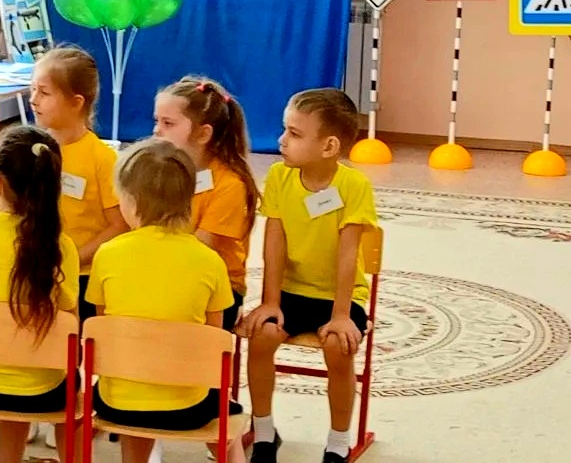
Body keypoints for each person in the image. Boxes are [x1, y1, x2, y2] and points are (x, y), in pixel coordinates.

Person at [240, 89, 377, 463]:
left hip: (339, 297)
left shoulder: (354, 186)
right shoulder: (280, 177)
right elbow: (274, 243)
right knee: (262, 337)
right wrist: (271, 301)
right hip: (291, 292)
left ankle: (338, 441)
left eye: (295, 133)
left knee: (338, 346)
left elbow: (348, 255)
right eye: (285, 129)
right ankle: (264, 432)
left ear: (329, 146)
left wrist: (341, 314)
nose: (282, 140)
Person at [85, 139, 243, 463]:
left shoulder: (107, 254)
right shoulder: (209, 260)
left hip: (117, 402)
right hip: (187, 407)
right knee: (228, 411)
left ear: (132, 203)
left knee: (130, 380)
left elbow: (103, 328)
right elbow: (214, 340)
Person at [0, 126, 80, 463]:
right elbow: (70, 329)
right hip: (44, 391)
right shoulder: (62, 246)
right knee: (67, 377)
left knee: (11, 355)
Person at [30, 46, 128, 323]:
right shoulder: (32, 148)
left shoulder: (102, 159)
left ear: (76, 102)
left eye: (44, 93)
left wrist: (71, 259)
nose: (33, 100)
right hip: (36, 271)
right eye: (32, 90)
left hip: (82, 277)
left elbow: (119, 225)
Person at [153, 77, 259, 332]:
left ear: (203, 134)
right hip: (171, 274)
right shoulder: (164, 171)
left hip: (218, 288)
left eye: (168, 123)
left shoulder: (230, 185)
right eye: (156, 121)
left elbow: (199, 251)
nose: (156, 130)